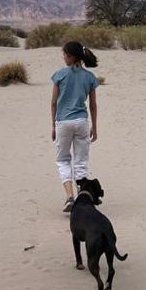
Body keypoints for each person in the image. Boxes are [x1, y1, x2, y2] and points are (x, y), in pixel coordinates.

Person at [51, 41, 99, 213]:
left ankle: (69, 196)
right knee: (81, 161)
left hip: (63, 122)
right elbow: (93, 105)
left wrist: (53, 125)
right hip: (81, 122)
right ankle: (83, 197)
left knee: (63, 159)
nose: (63, 57)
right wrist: (95, 126)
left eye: (65, 55)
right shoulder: (89, 77)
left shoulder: (59, 75)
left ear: (71, 57)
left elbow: (53, 103)